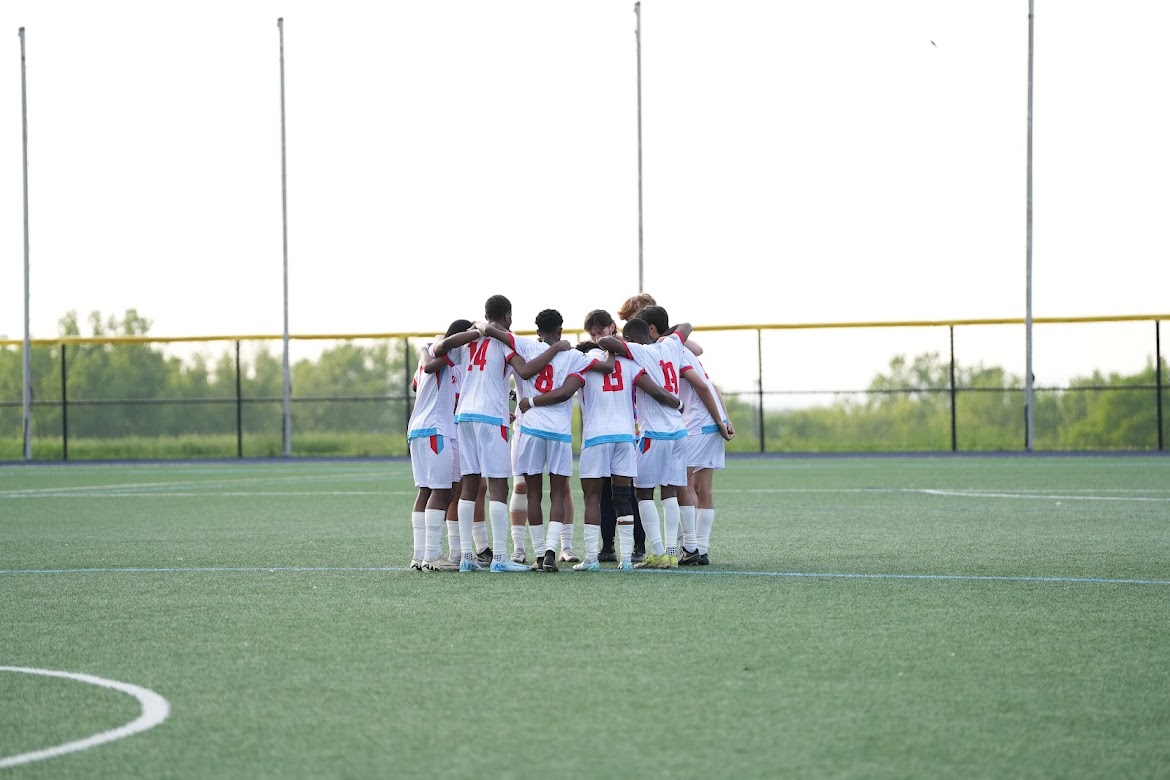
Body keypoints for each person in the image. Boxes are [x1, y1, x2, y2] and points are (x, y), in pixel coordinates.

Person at [529, 309, 681, 571]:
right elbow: (655, 390)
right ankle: (625, 560)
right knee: (623, 497)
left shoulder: (584, 361)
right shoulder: (629, 361)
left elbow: (565, 391)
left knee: (592, 497)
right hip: (624, 435)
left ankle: (591, 559)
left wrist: (531, 401)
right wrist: (677, 403)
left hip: (596, 436)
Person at [601, 316, 729, 569]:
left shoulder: (638, 350)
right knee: (670, 490)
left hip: (654, 433)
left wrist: (617, 341)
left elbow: (606, 342)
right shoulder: (670, 346)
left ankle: (659, 552)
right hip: (679, 431)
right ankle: (673, 551)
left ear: (630, 339)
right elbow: (687, 326)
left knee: (643, 492)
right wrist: (665, 335)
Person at [454, 294, 568, 572]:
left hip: (464, 415)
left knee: (469, 486)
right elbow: (526, 371)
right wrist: (555, 349)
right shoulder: (504, 340)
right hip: (490, 417)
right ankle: (500, 559)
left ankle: (467, 558)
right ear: (506, 316)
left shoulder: (469, 339)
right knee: (498, 487)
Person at [512, 308, 612, 571]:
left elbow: (498, 334)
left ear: (537, 332)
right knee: (559, 494)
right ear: (560, 330)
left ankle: (535, 554)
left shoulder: (526, 346)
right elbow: (607, 367)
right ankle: (550, 551)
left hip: (531, 430)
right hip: (559, 432)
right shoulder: (573, 356)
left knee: (532, 495)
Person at [405, 319, 481, 572]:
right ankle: (431, 556)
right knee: (439, 491)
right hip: (434, 429)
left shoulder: (447, 360)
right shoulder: (445, 354)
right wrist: (473, 332)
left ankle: (420, 556)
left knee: (431, 491)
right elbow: (429, 367)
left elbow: (418, 381)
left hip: (428, 429)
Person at [678, 353, 735, 565]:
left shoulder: (673, 351)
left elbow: (705, 387)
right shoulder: (685, 351)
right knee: (700, 487)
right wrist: (723, 418)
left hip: (698, 424)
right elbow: (712, 386)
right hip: (707, 423)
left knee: (679, 484)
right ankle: (700, 549)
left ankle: (690, 547)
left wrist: (723, 421)